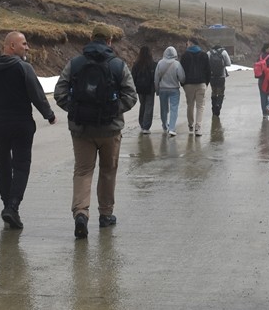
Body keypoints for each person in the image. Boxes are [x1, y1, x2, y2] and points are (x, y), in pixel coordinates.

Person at [0, 31, 57, 229]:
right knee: (21, 166)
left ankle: (7, 206)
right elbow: (37, 95)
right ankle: (12, 207)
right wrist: (49, 115)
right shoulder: (24, 68)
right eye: (24, 44)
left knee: (3, 166)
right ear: (11, 46)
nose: (27, 47)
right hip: (21, 125)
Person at [53, 22, 138, 239]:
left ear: (91, 39)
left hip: (81, 129)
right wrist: (113, 111)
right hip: (110, 130)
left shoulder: (75, 63)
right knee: (108, 171)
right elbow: (131, 96)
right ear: (110, 41)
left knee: (83, 171)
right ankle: (105, 215)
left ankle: (81, 212)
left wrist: (75, 110)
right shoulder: (118, 65)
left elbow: (60, 92)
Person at [180, 37, 211, 136]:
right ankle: (198, 127)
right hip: (201, 83)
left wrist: (183, 83)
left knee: (190, 105)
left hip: (188, 84)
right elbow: (208, 70)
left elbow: (181, 71)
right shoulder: (204, 55)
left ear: (191, 43)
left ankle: (190, 125)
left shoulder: (185, 55)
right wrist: (206, 83)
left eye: (187, 43)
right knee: (200, 106)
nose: (186, 44)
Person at [154, 45, 185, 137]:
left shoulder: (160, 63)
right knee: (173, 109)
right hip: (174, 90)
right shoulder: (177, 64)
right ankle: (172, 128)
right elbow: (182, 78)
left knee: (164, 109)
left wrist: (157, 90)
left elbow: (156, 78)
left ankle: (164, 125)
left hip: (163, 89)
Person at [131, 45, 157, 133]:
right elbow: (155, 77)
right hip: (150, 88)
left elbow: (132, 77)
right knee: (149, 106)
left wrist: (133, 87)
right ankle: (146, 127)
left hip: (139, 88)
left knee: (142, 105)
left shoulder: (136, 64)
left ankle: (142, 123)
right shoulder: (153, 64)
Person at [208, 42, 232, 118]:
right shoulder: (223, 52)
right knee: (221, 92)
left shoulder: (209, 53)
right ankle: (218, 105)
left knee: (214, 92)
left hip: (212, 76)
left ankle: (213, 108)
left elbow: (206, 64)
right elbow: (229, 63)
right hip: (221, 76)